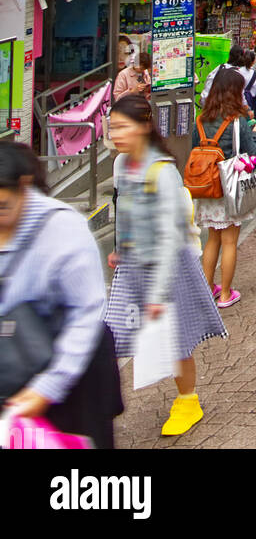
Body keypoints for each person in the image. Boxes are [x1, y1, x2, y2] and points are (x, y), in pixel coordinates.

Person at [106, 95, 226, 436]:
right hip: (135, 263)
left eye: (121, 127)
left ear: (144, 127)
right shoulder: (120, 165)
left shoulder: (164, 172)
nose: (115, 134)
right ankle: (98, 402)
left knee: (176, 339)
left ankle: (188, 400)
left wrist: (158, 294)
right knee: (112, 334)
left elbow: (170, 236)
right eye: (112, 127)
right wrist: (120, 249)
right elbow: (123, 211)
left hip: (170, 267)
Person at [0, 142, 123, 448]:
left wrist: (47, 387)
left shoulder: (62, 228)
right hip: (13, 369)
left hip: (73, 373)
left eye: (2, 206)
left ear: (24, 186)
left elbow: (86, 314)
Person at [193, 67, 256, 309]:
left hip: (206, 185)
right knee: (230, 241)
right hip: (229, 185)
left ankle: (207, 289)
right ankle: (225, 294)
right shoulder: (238, 120)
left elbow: (194, 148)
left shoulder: (200, 119)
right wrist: (254, 133)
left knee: (212, 238)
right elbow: (252, 154)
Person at [112, 34, 152, 101]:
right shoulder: (123, 74)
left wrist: (147, 92)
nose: (121, 57)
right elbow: (117, 98)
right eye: (118, 53)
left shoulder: (144, 72)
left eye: (125, 53)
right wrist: (132, 92)